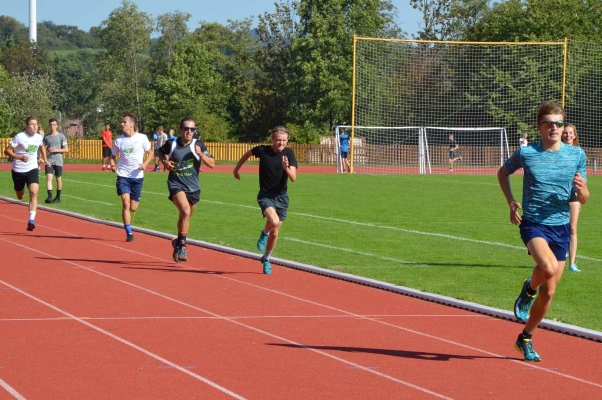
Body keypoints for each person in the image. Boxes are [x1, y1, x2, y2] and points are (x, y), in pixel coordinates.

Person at [497, 101, 588, 362]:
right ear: (540, 127)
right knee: (546, 268)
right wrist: (511, 202)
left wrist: (582, 192)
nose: (554, 128)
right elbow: (502, 173)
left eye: (559, 123)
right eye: (549, 123)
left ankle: (525, 338)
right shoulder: (527, 154)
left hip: (560, 226)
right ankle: (528, 289)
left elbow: (585, 197)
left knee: (549, 293)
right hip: (534, 223)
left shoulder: (576, 155)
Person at [233, 126, 297, 274]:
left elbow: (293, 178)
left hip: (282, 197)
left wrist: (286, 167)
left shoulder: (289, 153)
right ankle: (264, 233)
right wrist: (236, 169)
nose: (281, 143)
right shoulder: (262, 150)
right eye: (278, 140)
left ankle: (266, 259)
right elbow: (247, 154)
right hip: (265, 196)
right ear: (272, 139)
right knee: (273, 222)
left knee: (275, 232)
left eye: (284, 140)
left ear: (287, 141)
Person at [158, 116, 215, 262]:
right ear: (180, 129)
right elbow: (160, 151)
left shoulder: (199, 144)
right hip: (176, 184)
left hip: (193, 187)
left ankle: (177, 241)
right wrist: (165, 162)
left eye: (192, 129)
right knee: (185, 211)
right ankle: (183, 245)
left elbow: (212, 164)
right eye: (186, 129)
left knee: (185, 216)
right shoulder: (172, 143)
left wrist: (201, 154)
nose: (189, 132)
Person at [109, 113, 152, 242]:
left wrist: (145, 164)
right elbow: (113, 156)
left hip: (137, 177)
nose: (122, 124)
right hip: (123, 175)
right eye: (122, 122)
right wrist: (112, 164)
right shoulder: (118, 140)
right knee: (125, 202)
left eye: (124, 122)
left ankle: (129, 224)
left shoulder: (142, 138)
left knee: (133, 207)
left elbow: (150, 153)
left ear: (131, 125)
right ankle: (129, 232)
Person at [3, 116, 49, 231]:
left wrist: (45, 159)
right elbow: (7, 151)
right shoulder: (19, 137)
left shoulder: (38, 137)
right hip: (18, 170)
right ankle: (18, 189)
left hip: (32, 169)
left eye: (36, 124)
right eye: (32, 124)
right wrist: (19, 157)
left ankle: (31, 219)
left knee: (34, 192)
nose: (35, 126)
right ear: (27, 126)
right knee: (20, 196)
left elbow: (41, 146)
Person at [561, 124, 583, 272]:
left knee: (573, 227)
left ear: (574, 136)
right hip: (557, 193)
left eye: (571, 133)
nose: (568, 135)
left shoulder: (579, 153)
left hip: (573, 192)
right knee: (559, 226)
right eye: (566, 133)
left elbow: (582, 176)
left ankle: (572, 264)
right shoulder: (556, 151)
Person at [43, 118, 69, 203]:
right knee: (49, 177)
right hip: (49, 160)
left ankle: (58, 197)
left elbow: (66, 149)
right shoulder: (46, 136)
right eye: (50, 124)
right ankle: (49, 197)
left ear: (57, 126)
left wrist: (56, 150)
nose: (52, 126)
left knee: (58, 178)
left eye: (53, 124)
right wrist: (44, 157)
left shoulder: (61, 136)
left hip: (58, 160)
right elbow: (42, 147)